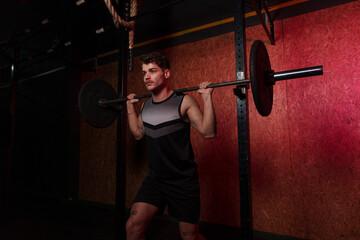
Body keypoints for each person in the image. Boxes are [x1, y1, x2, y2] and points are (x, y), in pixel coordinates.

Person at [126, 52, 216, 240]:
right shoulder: (145, 106)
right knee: (133, 227)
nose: (146, 77)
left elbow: (208, 132)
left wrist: (207, 98)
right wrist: (129, 108)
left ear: (166, 74)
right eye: (144, 73)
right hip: (156, 180)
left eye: (152, 71)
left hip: (182, 181)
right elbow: (137, 133)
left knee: (190, 237)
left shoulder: (184, 102)